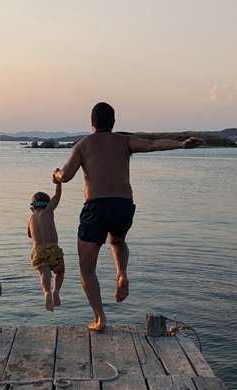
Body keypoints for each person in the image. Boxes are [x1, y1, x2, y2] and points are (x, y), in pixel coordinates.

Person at [53, 102, 202, 332]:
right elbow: (152, 145)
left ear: (92, 122)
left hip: (96, 207)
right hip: (123, 206)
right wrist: (182, 144)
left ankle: (100, 319)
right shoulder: (124, 141)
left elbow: (67, 175)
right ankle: (121, 272)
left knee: (87, 268)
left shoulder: (83, 145)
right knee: (117, 240)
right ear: (113, 123)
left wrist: (57, 174)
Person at [27, 177, 65, 312]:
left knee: (44, 274)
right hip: (52, 247)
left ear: (32, 208)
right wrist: (58, 183)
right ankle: (56, 291)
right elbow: (58, 196)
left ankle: (47, 292)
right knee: (59, 272)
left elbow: (30, 235)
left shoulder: (30, 218)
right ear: (47, 205)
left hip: (37, 251)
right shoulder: (48, 211)